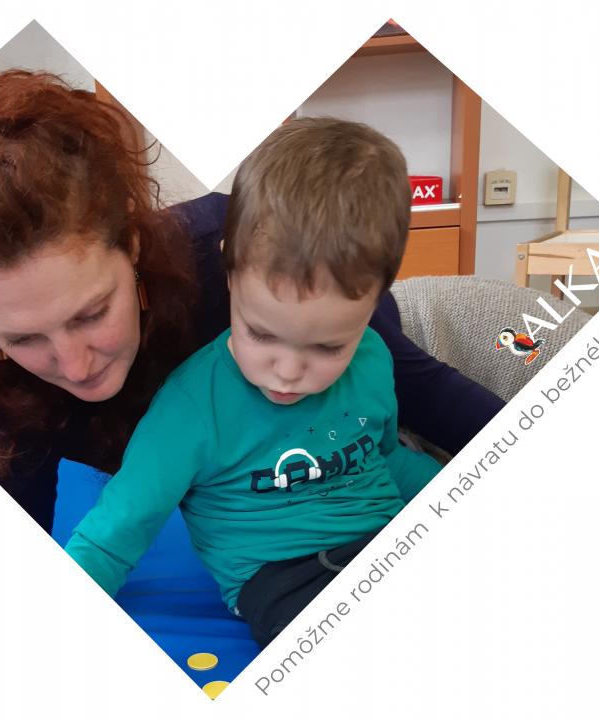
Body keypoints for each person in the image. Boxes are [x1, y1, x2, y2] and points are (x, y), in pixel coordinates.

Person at [0, 67, 502, 537]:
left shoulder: (247, 270)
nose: (76, 365)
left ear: (133, 244)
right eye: (22, 339)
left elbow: (428, 396)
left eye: (92, 314)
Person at [65, 117, 441, 647]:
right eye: (261, 334)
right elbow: (117, 530)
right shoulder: (192, 407)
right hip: (285, 580)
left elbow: (386, 457)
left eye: (328, 347)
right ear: (230, 271)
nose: (287, 372)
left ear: (376, 301)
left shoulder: (374, 359)